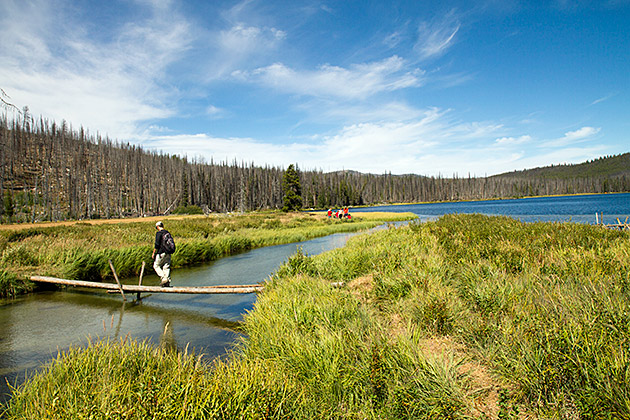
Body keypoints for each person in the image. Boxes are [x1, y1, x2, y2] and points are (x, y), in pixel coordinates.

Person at [152, 221, 173, 287]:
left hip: (161, 252)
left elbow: (157, 244)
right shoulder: (167, 233)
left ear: (158, 227)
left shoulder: (159, 233)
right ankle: (167, 282)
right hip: (168, 252)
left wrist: (153, 253)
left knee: (156, 265)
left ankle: (164, 278)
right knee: (166, 266)